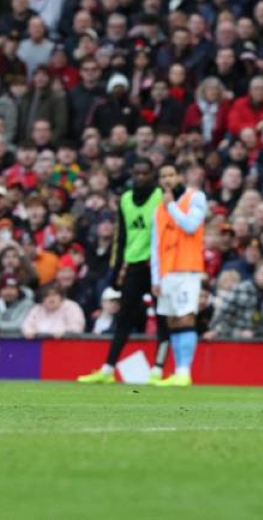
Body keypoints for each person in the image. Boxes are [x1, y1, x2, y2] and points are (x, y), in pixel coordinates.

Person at [77, 158, 170, 384]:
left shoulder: (161, 196)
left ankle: (158, 369)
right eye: (137, 173)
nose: (140, 177)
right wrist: (117, 269)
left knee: (162, 317)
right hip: (133, 264)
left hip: (156, 265)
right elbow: (122, 236)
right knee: (123, 318)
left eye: (145, 173)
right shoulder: (126, 199)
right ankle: (108, 369)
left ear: (152, 175)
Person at [150, 162, 208, 387]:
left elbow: (191, 225)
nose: (167, 180)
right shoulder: (158, 209)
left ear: (179, 177)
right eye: (163, 176)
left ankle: (184, 371)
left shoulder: (195, 197)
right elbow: (156, 245)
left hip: (187, 269)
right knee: (173, 320)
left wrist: (172, 206)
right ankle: (178, 372)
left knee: (185, 316)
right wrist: (156, 278)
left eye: (171, 175)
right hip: (167, 272)